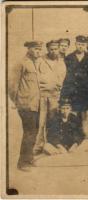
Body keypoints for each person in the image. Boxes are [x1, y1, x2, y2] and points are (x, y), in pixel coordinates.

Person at [8, 41, 46, 170]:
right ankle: (22, 162)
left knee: (34, 132)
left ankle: (29, 159)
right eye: (36, 49)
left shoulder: (38, 63)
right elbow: (12, 85)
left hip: (37, 104)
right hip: (26, 104)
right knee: (29, 132)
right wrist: (17, 102)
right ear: (29, 49)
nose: (38, 51)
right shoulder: (21, 63)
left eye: (40, 49)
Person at [33, 40, 67, 154]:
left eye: (56, 49)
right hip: (42, 96)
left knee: (53, 121)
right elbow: (36, 76)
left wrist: (57, 86)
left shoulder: (61, 62)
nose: (54, 51)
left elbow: (62, 77)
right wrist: (43, 86)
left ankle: (51, 144)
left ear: (58, 49)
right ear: (47, 49)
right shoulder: (40, 60)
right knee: (41, 121)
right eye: (51, 49)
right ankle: (38, 146)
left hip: (55, 96)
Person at [61, 35, 88, 142]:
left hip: (85, 93)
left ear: (86, 46)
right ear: (76, 44)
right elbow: (65, 77)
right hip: (73, 93)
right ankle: (74, 139)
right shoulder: (69, 58)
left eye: (83, 45)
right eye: (79, 44)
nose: (81, 47)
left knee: (86, 117)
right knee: (74, 116)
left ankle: (86, 139)